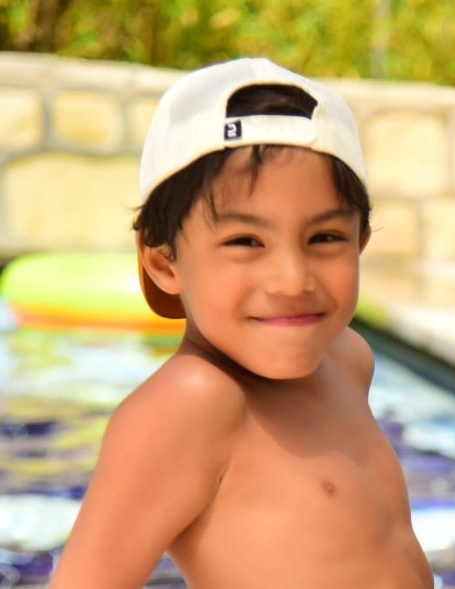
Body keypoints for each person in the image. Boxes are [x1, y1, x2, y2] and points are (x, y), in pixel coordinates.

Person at [48, 57, 433, 589]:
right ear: (164, 262)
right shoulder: (190, 403)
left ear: (361, 242)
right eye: (245, 241)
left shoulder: (348, 359)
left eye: (324, 237)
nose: (292, 279)